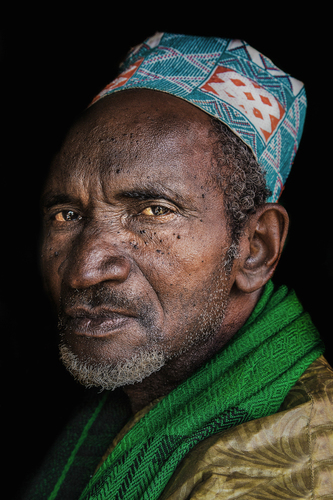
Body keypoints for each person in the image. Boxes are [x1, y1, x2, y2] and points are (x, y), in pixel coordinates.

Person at [24, 33, 333, 499]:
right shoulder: (128, 400)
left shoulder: (293, 471)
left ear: (256, 249)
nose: (83, 272)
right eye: (67, 215)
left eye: (153, 210)